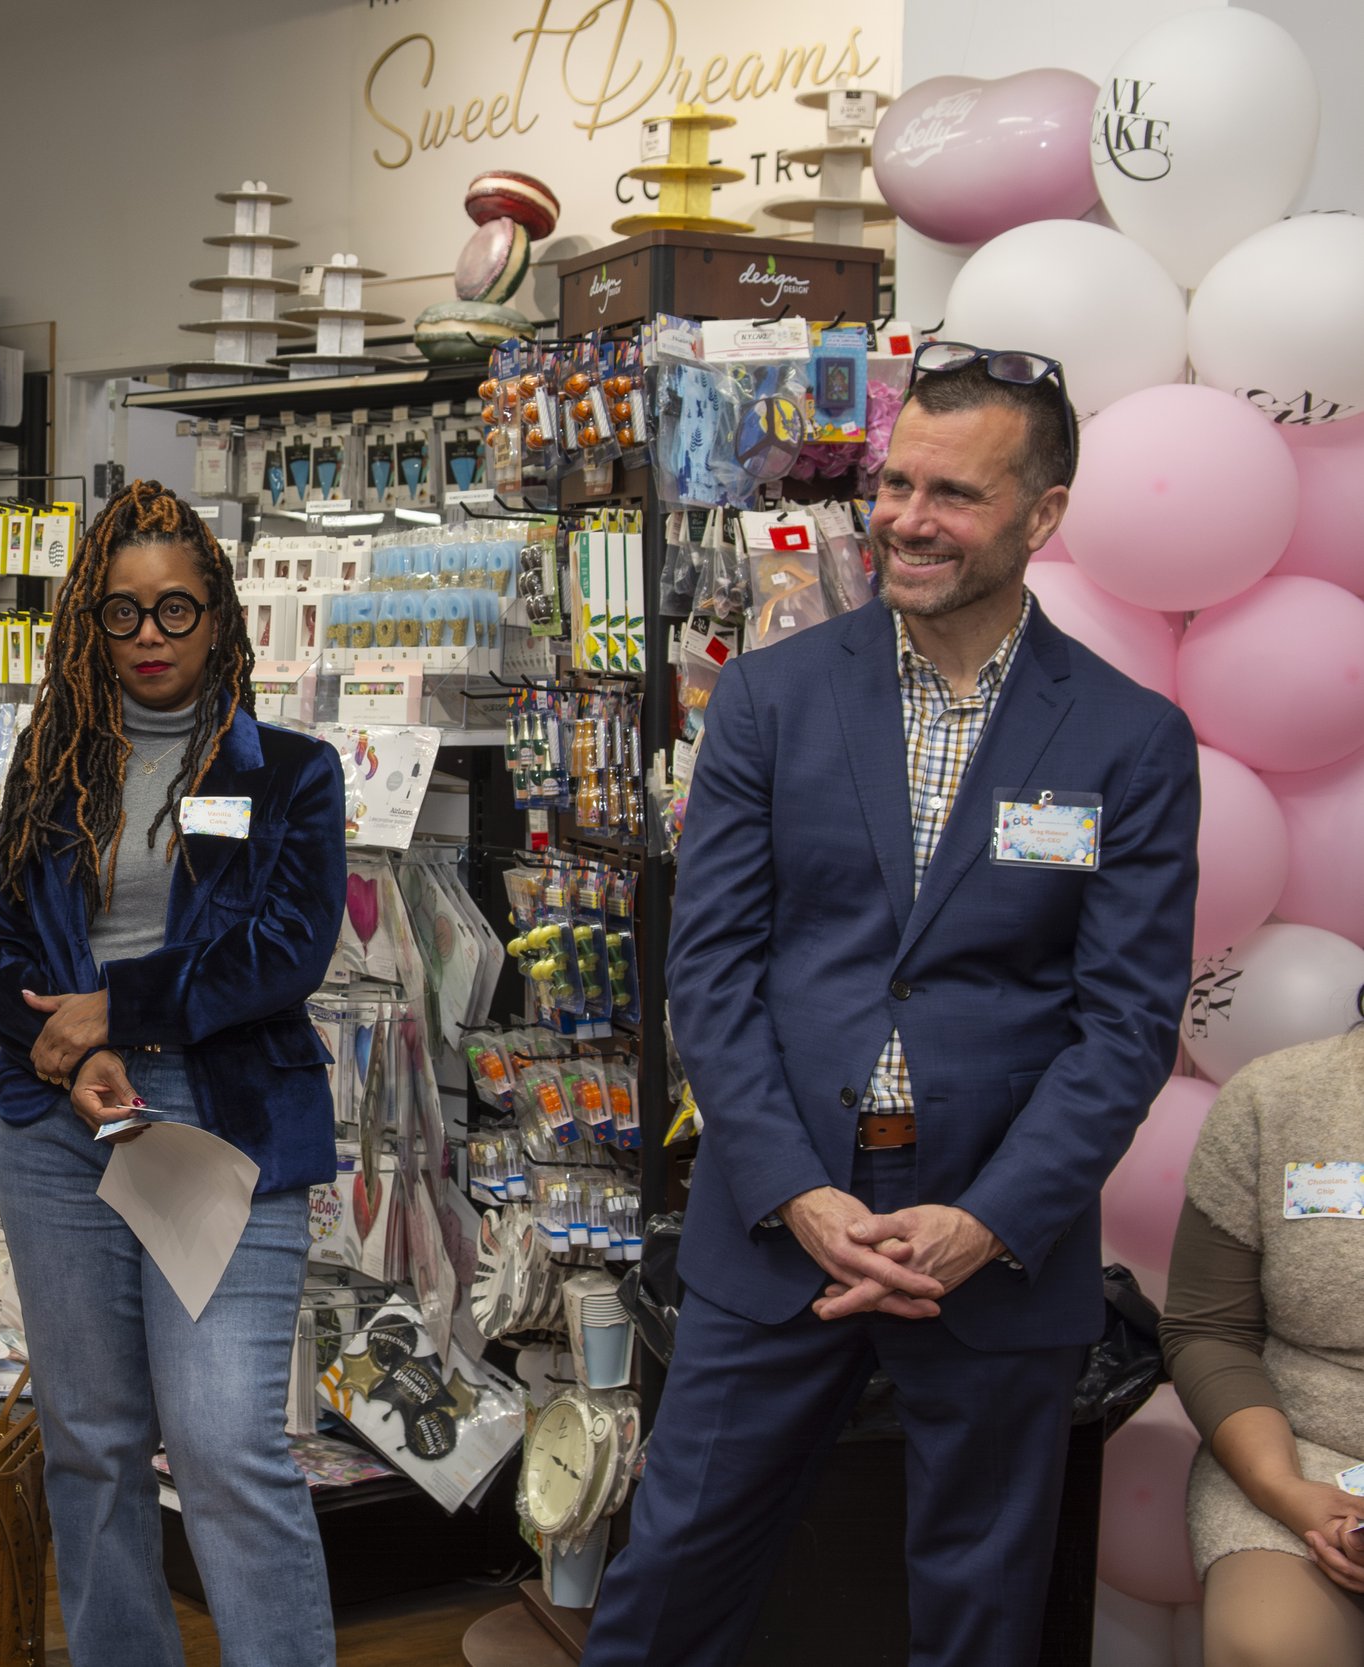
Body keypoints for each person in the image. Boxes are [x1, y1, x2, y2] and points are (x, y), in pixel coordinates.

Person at [582, 344, 1200, 1667]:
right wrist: (797, 1190)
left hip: (992, 1242)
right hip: (781, 1217)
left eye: (956, 494)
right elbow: (716, 970)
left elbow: (1125, 1022)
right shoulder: (770, 698)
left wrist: (989, 1220)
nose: (910, 519)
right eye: (898, 481)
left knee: (979, 1611)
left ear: (1043, 514)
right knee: (673, 1572)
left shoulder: (1126, 738)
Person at [0, 480, 346, 1667]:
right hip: (58, 1124)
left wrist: (113, 1011)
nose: (150, 640)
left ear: (219, 616)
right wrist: (57, 1049)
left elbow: (285, 950)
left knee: (226, 1443)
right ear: (91, 626)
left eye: (175, 612)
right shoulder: (53, 760)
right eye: (122, 616)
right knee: (92, 1439)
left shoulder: (288, 770)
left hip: (218, 1126)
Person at [1161, 1028, 1364, 1666]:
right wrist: (1282, 1488)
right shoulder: (1275, 1097)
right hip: (1304, 1459)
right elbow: (1209, 1331)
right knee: (1270, 1647)